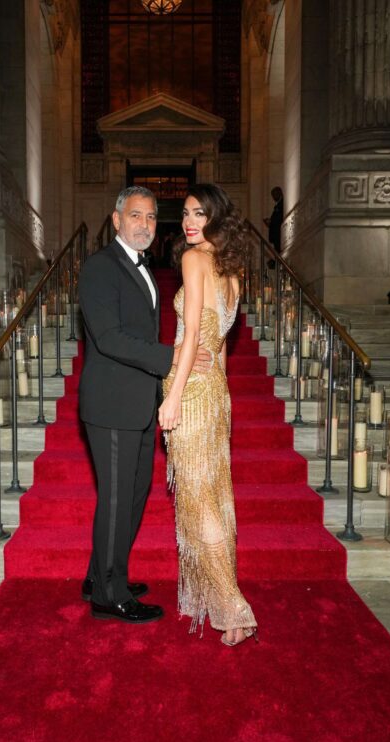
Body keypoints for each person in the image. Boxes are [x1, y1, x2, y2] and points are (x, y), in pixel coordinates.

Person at [78, 186, 211, 624]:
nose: (145, 224)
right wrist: (175, 356)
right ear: (116, 220)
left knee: (133, 496)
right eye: (136, 215)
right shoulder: (100, 267)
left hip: (137, 402)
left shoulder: (144, 267)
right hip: (110, 404)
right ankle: (108, 595)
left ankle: (102, 574)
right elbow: (109, 337)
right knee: (117, 500)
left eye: (152, 218)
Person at [159, 183, 258, 647]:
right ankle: (210, 598)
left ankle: (233, 607)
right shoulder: (234, 271)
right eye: (184, 213)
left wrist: (174, 395)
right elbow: (216, 346)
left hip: (193, 391)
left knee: (198, 502)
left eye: (199, 213)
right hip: (217, 392)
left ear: (218, 217)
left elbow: (196, 331)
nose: (189, 222)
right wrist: (207, 382)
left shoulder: (193, 260)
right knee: (215, 497)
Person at [263, 186, 284, 254]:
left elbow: (279, 218)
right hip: (276, 234)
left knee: (278, 252)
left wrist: (271, 222)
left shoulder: (282, 204)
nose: (273, 197)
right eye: (273, 195)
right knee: (277, 252)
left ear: (280, 193)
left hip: (278, 233)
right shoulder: (278, 205)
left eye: (275, 194)